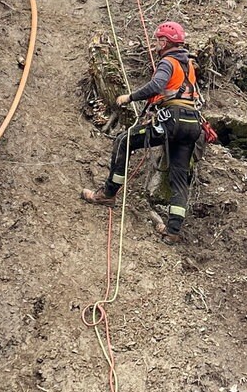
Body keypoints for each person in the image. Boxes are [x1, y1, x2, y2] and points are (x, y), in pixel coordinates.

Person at [80, 21, 206, 243]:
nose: (156, 43)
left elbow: (157, 86)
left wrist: (129, 97)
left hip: (172, 120)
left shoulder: (168, 62)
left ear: (165, 42)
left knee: (123, 140)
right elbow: (177, 92)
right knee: (178, 175)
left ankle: (108, 194)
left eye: (158, 39)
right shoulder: (188, 66)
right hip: (192, 124)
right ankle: (173, 231)